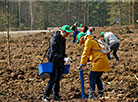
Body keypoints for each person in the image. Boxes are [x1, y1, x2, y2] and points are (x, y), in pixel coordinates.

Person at [42, 25, 72, 102]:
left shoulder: (63, 40)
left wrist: (66, 58)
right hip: (53, 62)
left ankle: (56, 96)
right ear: (63, 31)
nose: (68, 35)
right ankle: (45, 96)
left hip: (60, 62)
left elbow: (62, 52)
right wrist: (63, 58)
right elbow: (53, 53)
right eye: (67, 33)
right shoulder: (54, 40)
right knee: (53, 79)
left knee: (58, 79)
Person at [77, 33, 110, 99]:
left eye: (80, 41)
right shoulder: (93, 40)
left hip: (99, 61)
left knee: (91, 77)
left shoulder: (88, 41)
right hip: (103, 61)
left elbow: (85, 53)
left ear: (82, 38)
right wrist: (85, 62)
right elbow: (91, 53)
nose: (81, 43)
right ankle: (101, 93)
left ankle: (92, 95)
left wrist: (81, 64)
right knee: (97, 78)